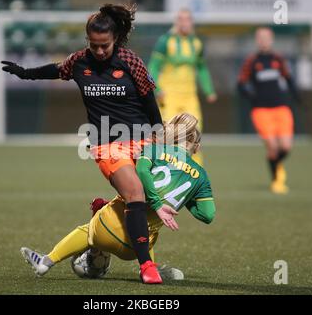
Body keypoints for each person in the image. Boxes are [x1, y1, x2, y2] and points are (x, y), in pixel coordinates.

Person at [1, 4, 164, 283]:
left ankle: (103, 213)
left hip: (142, 139)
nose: (99, 51)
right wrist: (25, 73)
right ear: (87, 41)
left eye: (105, 46)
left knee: (151, 206)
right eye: (94, 45)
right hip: (106, 145)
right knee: (136, 193)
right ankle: (147, 267)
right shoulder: (79, 61)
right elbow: (56, 70)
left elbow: (149, 101)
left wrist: (158, 135)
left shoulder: (130, 61)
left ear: (116, 39)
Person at [20, 113, 216, 283]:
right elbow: (208, 215)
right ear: (196, 147)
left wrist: (155, 200)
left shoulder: (153, 149)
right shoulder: (201, 176)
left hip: (106, 229)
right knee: (150, 228)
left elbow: (142, 172)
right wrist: (188, 197)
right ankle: (149, 267)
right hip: (135, 250)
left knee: (89, 230)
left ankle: (47, 261)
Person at [148, 8, 217, 166]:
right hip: (169, 96)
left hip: (189, 96)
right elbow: (154, 67)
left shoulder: (197, 43)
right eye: (181, 19)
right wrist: (156, 89)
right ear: (177, 22)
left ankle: (196, 172)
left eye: (187, 19)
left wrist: (209, 90)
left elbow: (202, 68)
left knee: (194, 133)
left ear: (191, 22)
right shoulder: (165, 41)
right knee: (168, 136)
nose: (184, 22)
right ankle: (165, 171)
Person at [237, 27, 299, 194]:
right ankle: (276, 180)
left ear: (271, 40)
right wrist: (251, 97)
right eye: (260, 37)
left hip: (281, 108)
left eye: (266, 37)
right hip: (261, 110)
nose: (264, 40)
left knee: (286, 147)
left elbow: (289, 79)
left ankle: (274, 164)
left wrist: (296, 98)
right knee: (272, 146)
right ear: (257, 41)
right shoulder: (251, 61)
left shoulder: (278, 59)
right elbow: (241, 83)